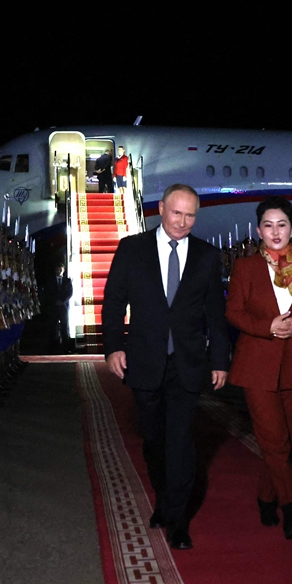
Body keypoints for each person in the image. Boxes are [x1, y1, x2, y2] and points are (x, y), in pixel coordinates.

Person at [102, 184, 230, 550]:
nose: (183, 222)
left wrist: (219, 360)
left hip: (187, 365)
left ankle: (178, 518)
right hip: (143, 361)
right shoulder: (132, 249)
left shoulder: (206, 255)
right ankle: (162, 498)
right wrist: (113, 348)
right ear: (161, 209)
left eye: (191, 216)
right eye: (177, 213)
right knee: (154, 440)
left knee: (180, 443)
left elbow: (215, 316)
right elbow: (113, 302)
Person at [226, 197, 292, 538]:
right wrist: (267, 327)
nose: (275, 231)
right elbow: (234, 312)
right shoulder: (246, 268)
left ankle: (265, 495)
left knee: (285, 442)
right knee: (272, 439)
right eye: (268, 225)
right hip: (257, 365)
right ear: (259, 230)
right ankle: (291, 507)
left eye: (282, 224)